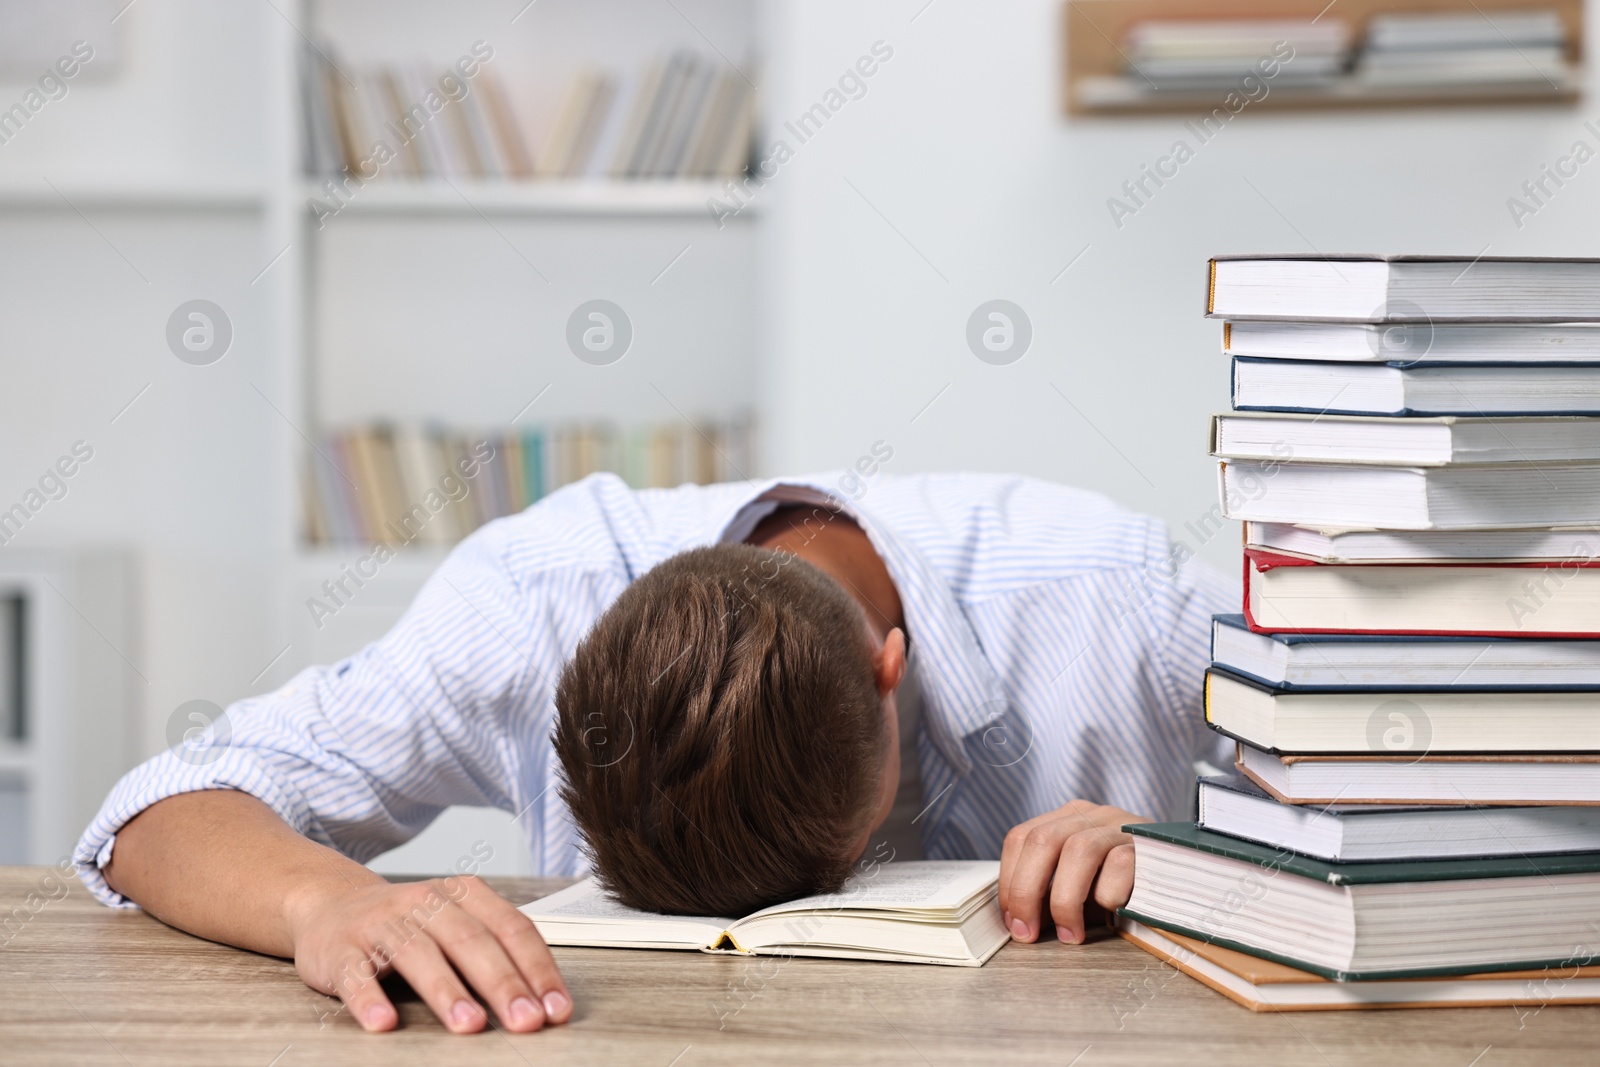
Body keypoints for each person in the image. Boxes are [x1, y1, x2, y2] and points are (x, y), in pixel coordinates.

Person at [77, 470, 1231, 1035]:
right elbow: (157, 803)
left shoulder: (1116, 597)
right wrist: (325, 903)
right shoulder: (530, 600)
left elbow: (1403, 800)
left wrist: (1200, 850)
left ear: (892, 670)